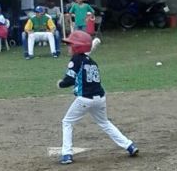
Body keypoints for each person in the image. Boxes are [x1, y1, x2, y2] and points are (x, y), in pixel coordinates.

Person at [58, 30, 139, 164]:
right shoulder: (92, 62)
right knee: (105, 123)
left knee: (67, 122)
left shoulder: (76, 59)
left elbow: (69, 80)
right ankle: (129, 146)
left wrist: (60, 84)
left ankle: (67, 154)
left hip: (85, 99)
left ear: (77, 47)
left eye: (70, 45)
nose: (68, 47)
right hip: (100, 98)